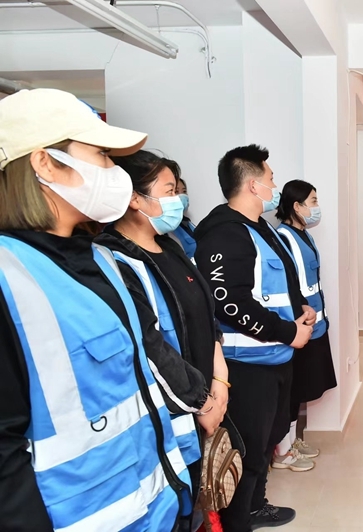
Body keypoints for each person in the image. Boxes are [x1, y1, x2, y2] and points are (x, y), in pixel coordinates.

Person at [0, 88, 200, 531]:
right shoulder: (8, 275)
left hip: (157, 505)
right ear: (45, 163)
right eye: (102, 156)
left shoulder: (102, 259)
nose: (115, 173)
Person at [98, 150, 230, 525]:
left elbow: (205, 312)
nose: (179, 200)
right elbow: (149, 346)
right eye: (169, 191)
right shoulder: (115, 260)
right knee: (178, 510)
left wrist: (220, 377)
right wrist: (203, 402)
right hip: (174, 412)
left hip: (208, 393)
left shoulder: (170, 244)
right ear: (135, 199)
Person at [194, 144, 316, 531]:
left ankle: (256, 506)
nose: (274, 187)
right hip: (246, 365)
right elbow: (228, 301)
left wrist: (300, 309)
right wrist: (288, 331)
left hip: (275, 358)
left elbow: (274, 282)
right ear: (252, 185)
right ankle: (237, 521)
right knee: (246, 450)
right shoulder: (224, 233)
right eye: (270, 179)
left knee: (266, 443)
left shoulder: (259, 227)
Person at [274, 179, 338, 469]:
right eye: (313, 201)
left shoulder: (304, 235)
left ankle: (292, 441)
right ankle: (283, 451)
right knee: (292, 390)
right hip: (299, 327)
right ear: (297, 206)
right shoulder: (283, 237)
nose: (317, 207)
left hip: (315, 326)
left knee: (300, 388)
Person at [167, 164, 198, 260]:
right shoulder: (166, 227)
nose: (182, 196)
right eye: (176, 192)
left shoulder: (187, 223)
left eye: (184, 191)